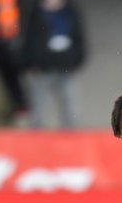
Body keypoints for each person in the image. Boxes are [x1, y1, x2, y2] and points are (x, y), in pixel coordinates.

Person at [22, 0, 86, 129]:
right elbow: (29, 39)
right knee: (38, 108)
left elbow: (79, 38)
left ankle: (72, 140)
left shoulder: (70, 11)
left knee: (70, 107)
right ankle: (36, 140)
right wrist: (31, 62)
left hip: (66, 67)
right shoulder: (36, 12)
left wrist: (75, 59)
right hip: (42, 68)